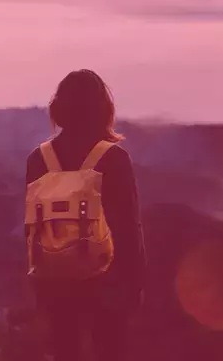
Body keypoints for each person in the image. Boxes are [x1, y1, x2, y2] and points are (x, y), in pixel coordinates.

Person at [25, 69, 146, 361]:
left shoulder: (39, 159)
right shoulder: (114, 158)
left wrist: (37, 286)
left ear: (59, 108)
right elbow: (128, 228)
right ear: (104, 110)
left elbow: (31, 228)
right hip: (107, 282)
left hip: (55, 281)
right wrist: (134, 287)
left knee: (64, 352)